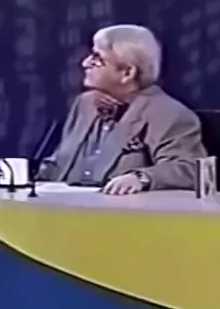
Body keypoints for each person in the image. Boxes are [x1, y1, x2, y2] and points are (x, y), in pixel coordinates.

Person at [38, 24, 206, 195]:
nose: (85, 63)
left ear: (127, 73)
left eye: (97, 58)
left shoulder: (168, 113)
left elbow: (188, 169)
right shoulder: (85, 104)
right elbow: (57, 165)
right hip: (64, 206)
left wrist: (141, 178)